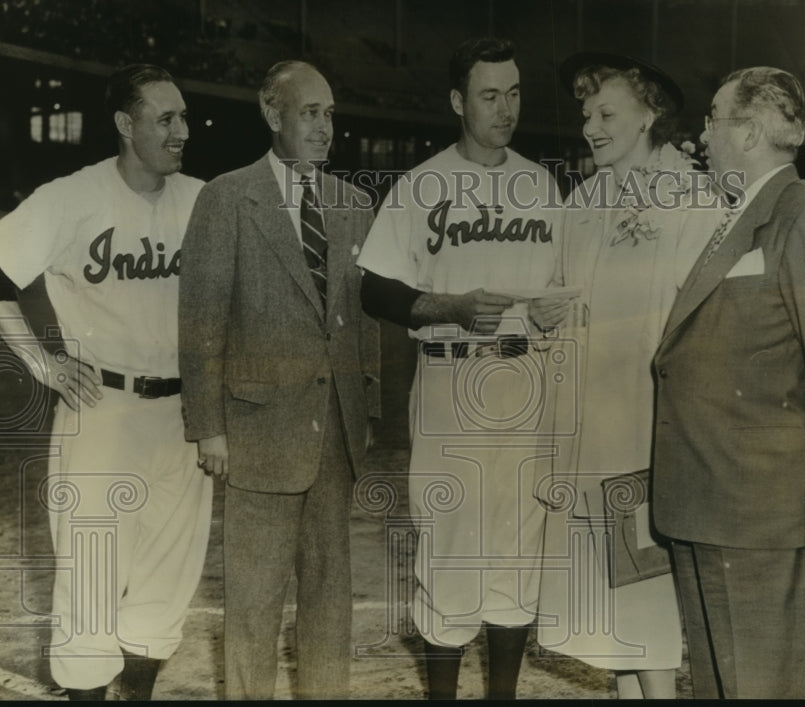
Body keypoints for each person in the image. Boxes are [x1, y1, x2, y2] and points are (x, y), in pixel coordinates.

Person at [650, 66, 805, 698]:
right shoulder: (739, 215)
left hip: (758, 509)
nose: (701, 136)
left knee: (762, 687)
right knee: (724, 686)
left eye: (712, 121)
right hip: (708, 500)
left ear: (747, 133)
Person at [357, 37, 564, 700]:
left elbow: (561, 284)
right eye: (489, 94)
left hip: (526, 375)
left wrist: (553, 314)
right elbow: (374, 288)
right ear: (457, 101)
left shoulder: (542, 182)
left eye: (514, 92)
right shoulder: (422, 184)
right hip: (450, 373)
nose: (506, 108)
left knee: (519, 544)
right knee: (449, 544)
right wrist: (448, 303)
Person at [0, 64, 211, 701]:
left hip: (185, 415)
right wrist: (42, 363)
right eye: (165, 119)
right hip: (103, 410)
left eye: (183, 118)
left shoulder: (203, 199)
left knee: (168, 578)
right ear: (125, 124)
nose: (181, 132)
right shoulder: (70, 197)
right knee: (90, 583)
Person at [177, 60, 380, 700]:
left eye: (330, 115)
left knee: (329, 600)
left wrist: (366, 410)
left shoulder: (354, 204)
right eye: (310, 114)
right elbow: (201, 321)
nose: (325, 128)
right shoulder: (227, 198)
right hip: (257, 434)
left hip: (334, 438)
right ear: (273, 115)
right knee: (253, 606)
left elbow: (365, 322)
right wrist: (208, 426)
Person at [533, 52, 721, 700]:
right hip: (588, 426)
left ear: (649, 114)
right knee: (608, 596)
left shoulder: (689, 195)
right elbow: (556, 301)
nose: (591, 124)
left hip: (652, 425)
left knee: (645, 583)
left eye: (607, 112)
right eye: (586, 113)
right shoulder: (583, 200)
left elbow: (705, 321)